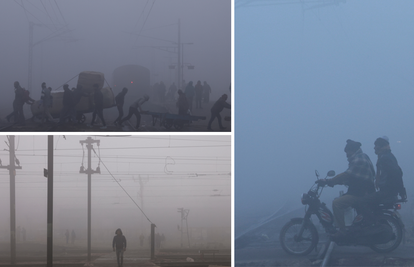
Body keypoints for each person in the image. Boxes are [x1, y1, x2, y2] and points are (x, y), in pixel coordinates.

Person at [316, 139, 375, 236]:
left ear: (352, 150)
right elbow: (350, 178)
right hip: (362, 191)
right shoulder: (363, 156)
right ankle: (352, 226)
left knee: (337, 203)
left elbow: (346, 175)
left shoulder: (358, 160)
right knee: (341, 199)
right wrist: (333, 182)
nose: (346, 155)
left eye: (347, 152)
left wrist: (329, 181)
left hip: (360, 193)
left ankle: (342, 231)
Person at [363, 136, 406, 205]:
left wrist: (402, 192)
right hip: (389, 191)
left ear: (381, 147)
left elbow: (397, 173)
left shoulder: (385, 158)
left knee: (362, 202)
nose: (374, 148)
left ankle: (370, 216)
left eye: (376, 145)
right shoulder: (387, 156)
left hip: (387, 192)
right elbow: (398, 172)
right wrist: (402, 192)